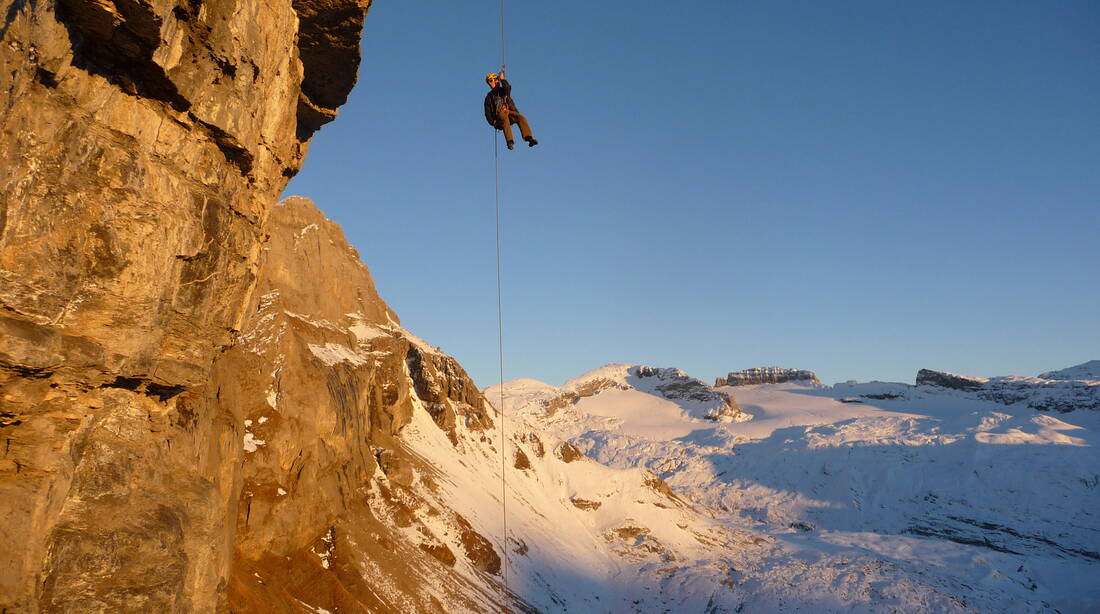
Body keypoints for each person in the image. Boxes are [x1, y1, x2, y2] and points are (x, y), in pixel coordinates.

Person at [484, 71, 538, 150]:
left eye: (491, 80)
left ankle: (529, 138)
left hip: (508, 112)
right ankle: (510, 141)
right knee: (504, 115)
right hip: (499, 117)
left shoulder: (503, 90)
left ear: (496, 80)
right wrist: (492, 121)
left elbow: (507, 88)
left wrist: (503, 79)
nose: (490, 83)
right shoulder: (489, 97)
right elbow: (487, 112)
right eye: (488, 82)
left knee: (521, 118)